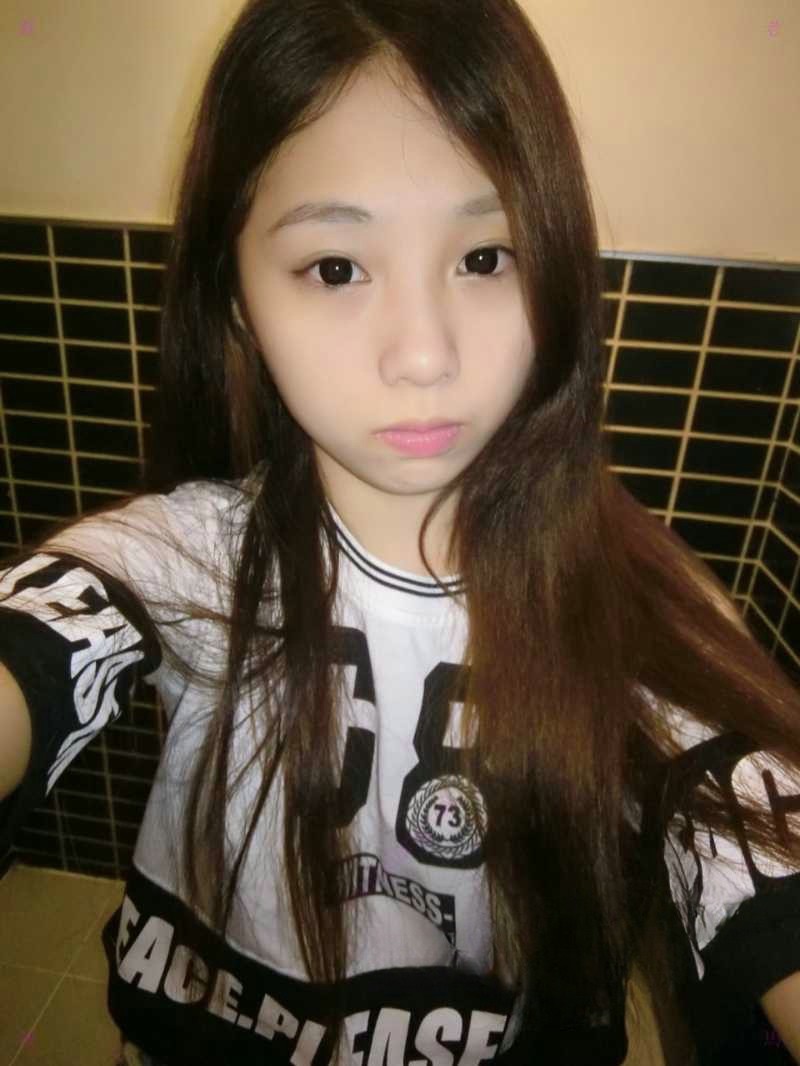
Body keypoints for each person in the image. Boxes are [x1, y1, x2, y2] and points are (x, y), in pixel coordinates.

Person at [0, 1, 799, 1064]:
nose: (423, 354)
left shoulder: (637, 606)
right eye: (336, 268)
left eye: (486, 257)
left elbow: (753, 832)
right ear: (235, 302)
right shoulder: (189, 561)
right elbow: (50, 627)